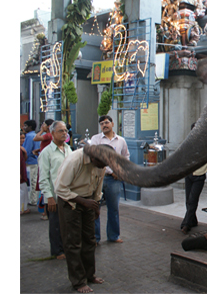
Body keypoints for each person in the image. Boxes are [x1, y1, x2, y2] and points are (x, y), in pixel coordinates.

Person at [54, 146, 109, 293]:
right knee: (73, 242)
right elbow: (59, 188)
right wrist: (83, 202)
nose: (104, 167)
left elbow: (98, 185)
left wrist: (96, 204)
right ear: (94, 157)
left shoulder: (101, 162)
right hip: (70, 201)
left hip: (88, 200)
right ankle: (78, 282)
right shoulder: (75, 159)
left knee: (90, 240)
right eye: (102, 164)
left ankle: (89, 275)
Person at [90, 115, 130, 244]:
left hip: (114, 180)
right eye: (101, 123)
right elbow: (94, 158)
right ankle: (95, 238)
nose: (104, 125)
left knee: (114, 209)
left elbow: (125, 157)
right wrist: (111, 171)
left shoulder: (121, 141)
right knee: (95, 208)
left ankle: (113, 236)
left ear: (112, 124)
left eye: (106, 122)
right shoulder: (95, 140)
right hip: (98, 178)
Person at [38, 121, 72, 260]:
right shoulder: (47, 153)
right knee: (56, 224)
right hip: (54, 196)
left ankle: (66, 247)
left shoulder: (69, 149)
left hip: (68, 195)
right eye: (61, 131)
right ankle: (57, 251)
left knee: (68, 224)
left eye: (65, 131)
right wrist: (49, 197)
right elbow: (43, 177)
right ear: (52, 133)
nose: (64, 133)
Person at [181, 123, 207, 234]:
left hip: (199, 175)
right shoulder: (188, 143)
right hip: (189, 174)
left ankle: (186, 224)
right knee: (188, 200)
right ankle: (193, 220)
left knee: (193, 200)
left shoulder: (206, 143)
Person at [34, 119, 55, 220]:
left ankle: (46, 213)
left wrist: (42, 130)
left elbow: (36, 138)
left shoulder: (48, 135)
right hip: (45, 159)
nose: (43, 126)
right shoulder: (50, 136)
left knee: (45, 184)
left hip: (47, 162)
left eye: (44, 124)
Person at [23, 120, 41, 206]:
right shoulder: (35, 135)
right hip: (35, 160)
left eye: (25, 126)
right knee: (34, 180)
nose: (24, 127)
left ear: (30, 127)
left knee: (32, 181)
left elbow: (27, 150)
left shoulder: (29, 136)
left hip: (30, 161)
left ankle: (33, 200)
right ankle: (33, 199)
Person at [20, 130, 30, 215]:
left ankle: (24, 208)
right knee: (22, 191)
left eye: (23, 138)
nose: (22, 140)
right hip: (20, 174)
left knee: (24, 190)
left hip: (22, 173)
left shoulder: (21, 149)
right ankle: (21, 208)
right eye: (20, 138)